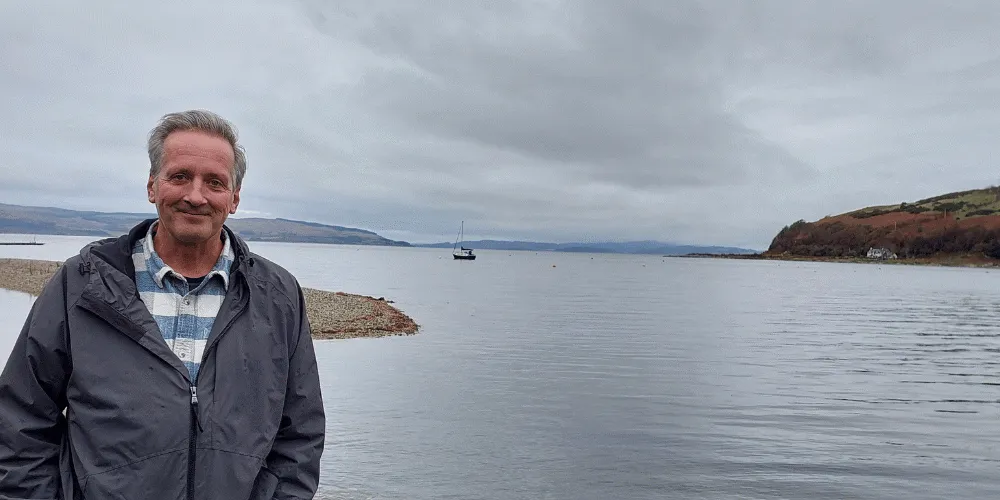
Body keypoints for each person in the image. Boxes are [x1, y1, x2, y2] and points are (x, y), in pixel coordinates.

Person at [0, 110, 325, 499]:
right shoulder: (82, 285)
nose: (195, 195)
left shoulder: (278, 296)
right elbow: (21, 424)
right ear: (152, 185)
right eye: (180, 176)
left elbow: (299, 436)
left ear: (234, 198)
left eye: (215, 182)